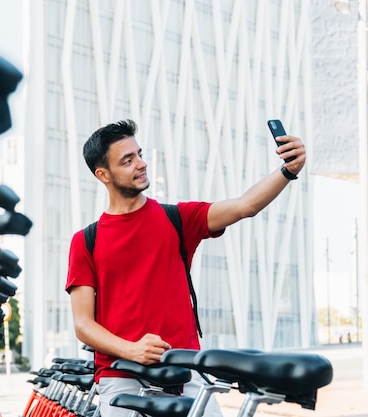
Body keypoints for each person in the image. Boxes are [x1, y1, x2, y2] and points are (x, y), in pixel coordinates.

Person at [65, 119, 306, 417]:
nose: (141, 164)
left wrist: (287, 171)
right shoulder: (86, 240)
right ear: (103, 174)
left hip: (184, 370)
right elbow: (83, 325)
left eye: (139, 154)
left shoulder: (178, 218)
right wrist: (132, 349)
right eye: (128, 160)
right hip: (121, 376)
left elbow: (245, 205)